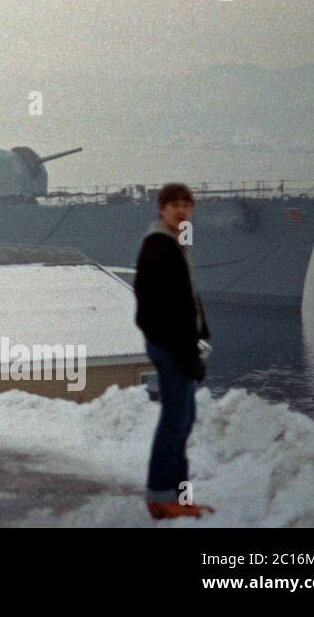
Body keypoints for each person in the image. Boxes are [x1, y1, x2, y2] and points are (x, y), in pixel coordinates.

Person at [135, 182, 214, 520]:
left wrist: (198, 335)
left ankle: (180, 496)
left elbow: (185, 298)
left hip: (180, 344)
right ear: (161, 208)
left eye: (186, 204)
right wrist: (180, 350)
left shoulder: (174, 244)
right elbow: (152, 306)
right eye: (175, 204)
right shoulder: (158, 246)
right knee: (174, 421)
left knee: (183, 420)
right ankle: (160, 496)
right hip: (171, 347)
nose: (182, 210)